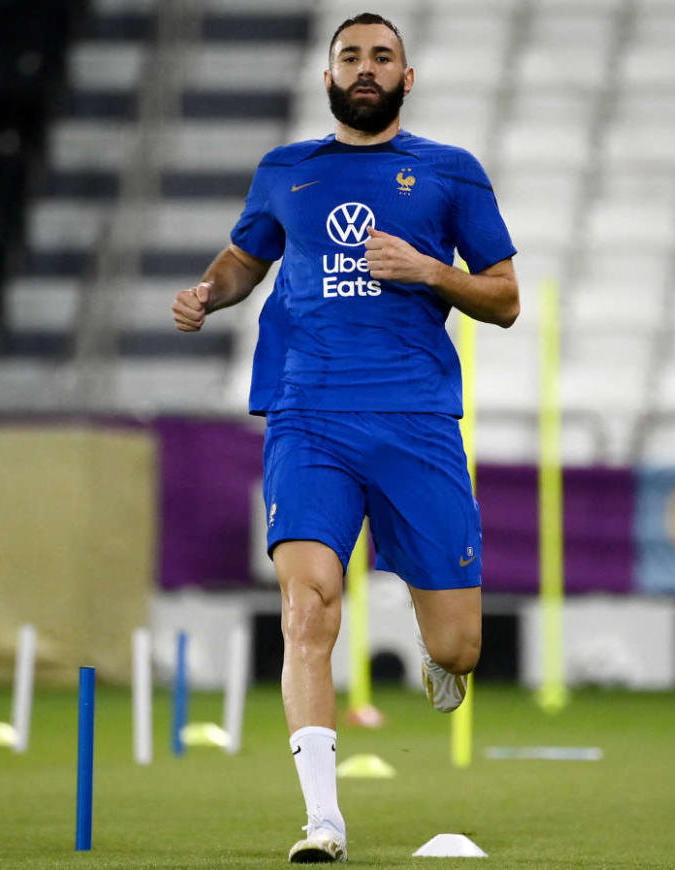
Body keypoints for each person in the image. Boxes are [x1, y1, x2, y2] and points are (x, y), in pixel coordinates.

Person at [171, 12, 517, 863]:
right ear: (328, 78)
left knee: (458, 645)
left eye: (381, 58)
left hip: (416, 421)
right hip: (307, 414)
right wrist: (208, 293)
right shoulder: (284, 172)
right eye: (350, 57)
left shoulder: (449, 173)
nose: (365, 69)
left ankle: (444, 658)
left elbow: (504, 298)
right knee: (307, 605)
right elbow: (244, 260)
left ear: (407, 77)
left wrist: (429, 270)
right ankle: (323, 819)